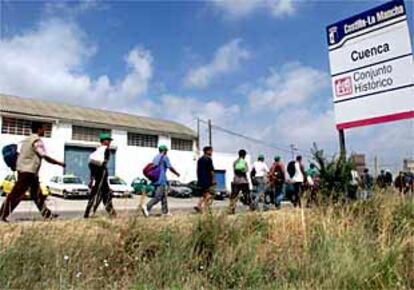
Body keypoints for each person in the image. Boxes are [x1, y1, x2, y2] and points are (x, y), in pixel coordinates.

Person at [0, 122, 65, 222]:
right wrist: (59, 163)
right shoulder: (36, 141)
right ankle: (2, 215)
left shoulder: (26, 140)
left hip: (26, 171)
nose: (44, 130)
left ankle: (47, 215)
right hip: (28, 172)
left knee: (37, 195)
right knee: (16, 194)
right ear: (38, 129)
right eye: (43, 128)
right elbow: (44, 156)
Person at [84, 132, 117, 218]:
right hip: (102, 177)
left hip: (96, 178)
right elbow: (104, 163)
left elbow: (91, 166)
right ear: (103, 141)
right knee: (106, 196)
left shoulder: (96, 152)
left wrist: (91, 180)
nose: (109, 142)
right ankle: (112, 214)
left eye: (110, 140)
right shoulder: (106, 150)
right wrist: (103, 174)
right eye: (108, 140)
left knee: (94, 196)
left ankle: (87, 214)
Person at [142, 145, 180, 217]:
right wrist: (177, 173)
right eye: (166, 151)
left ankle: (165, 212)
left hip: (155, 179)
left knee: (164, 196)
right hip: (161, 180)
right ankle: (147, 207)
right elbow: (170, 167)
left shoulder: (156, 157)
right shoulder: (165, 157)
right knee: (158, 197)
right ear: (165, 151)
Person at [194, 146, 216, 213]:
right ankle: (205, 208)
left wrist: (199, 178)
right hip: (207, 179)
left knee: (203, 194)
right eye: (211, 151)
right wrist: (213, 179)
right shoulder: (208, 159)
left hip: (201, 179)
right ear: (207, 151)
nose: (212, 152)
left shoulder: (200, 159)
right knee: (209, 195)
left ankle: (199, 205)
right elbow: (211, 171)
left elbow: (197, 170)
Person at [228, 149, 250, 214]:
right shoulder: (244, 162)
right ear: (244, 155)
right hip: (244, 181)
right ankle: (249, 208)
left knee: (234, 195)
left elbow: (234, 170)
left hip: (236, 181)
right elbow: (246, 170)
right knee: (247, 194)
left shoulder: (235, 162)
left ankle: (231, 209)